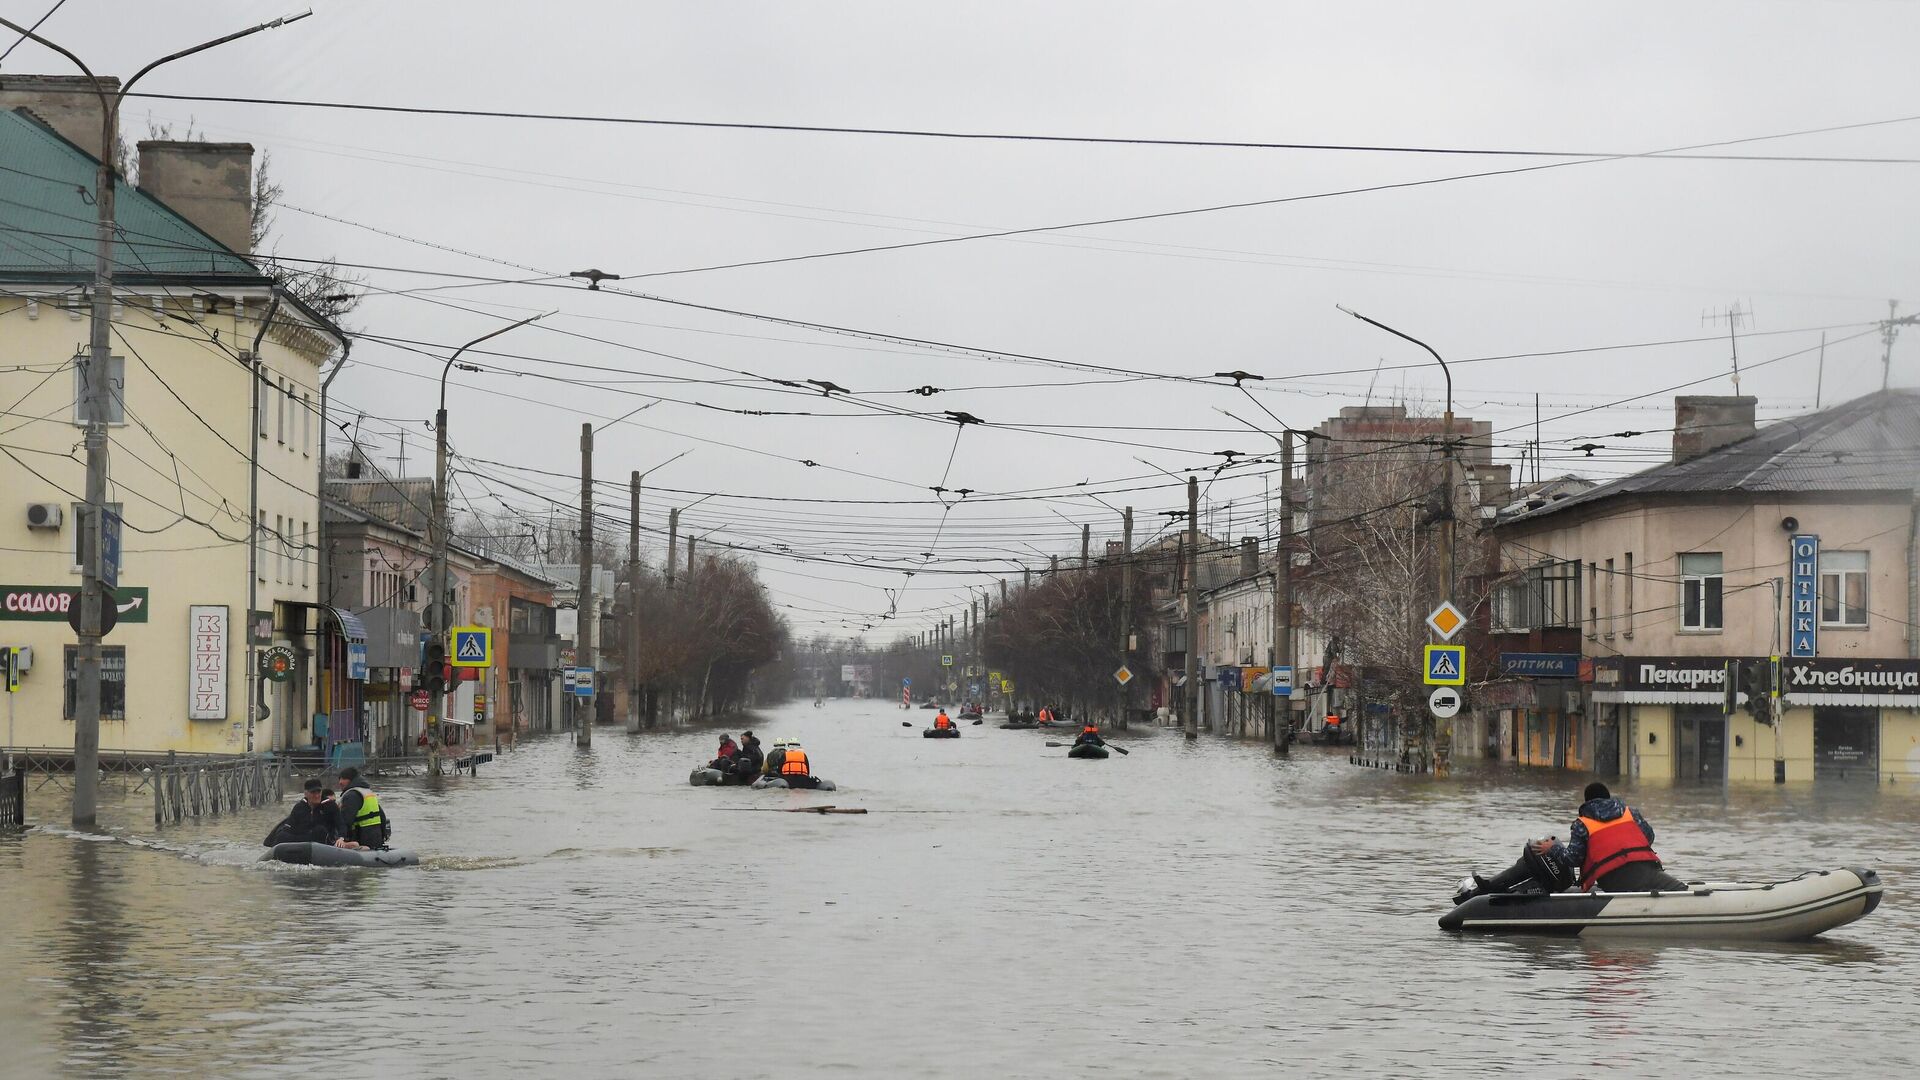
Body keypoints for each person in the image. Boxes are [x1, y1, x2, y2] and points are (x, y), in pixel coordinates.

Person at [1455, 782, 1685, 904]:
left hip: (1615, 880)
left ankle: (1489, 887)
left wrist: (1553, 847)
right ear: (1609, 797)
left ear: (1587, 801)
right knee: (1680, 891)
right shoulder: (1629, 813)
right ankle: (1489, 888)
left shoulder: (1582, 823)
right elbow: (1649, 837)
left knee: (1538, 851)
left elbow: (1572, 859)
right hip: (1644, 870)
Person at [264, 778, 343, 847]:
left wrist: (341, 838)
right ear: (306, 793)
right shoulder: (299, 807)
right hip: (302, 838)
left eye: (318, 792)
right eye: (313, 792)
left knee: (319, 831)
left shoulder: (330, 806)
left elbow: (341, 824)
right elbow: (289, 826)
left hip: (322, 840)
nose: (316, 795)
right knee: (281, 835)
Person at [335, 768, 391, 850]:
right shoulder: (368, 792)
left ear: (351, 780)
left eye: (343, 779)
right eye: (339, 779)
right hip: (376, 838)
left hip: (361, 838)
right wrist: (383, 836)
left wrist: (340, 837)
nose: (340, 782)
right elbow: (382, 816)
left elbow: (346, 820)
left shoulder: (351, 795)